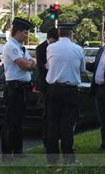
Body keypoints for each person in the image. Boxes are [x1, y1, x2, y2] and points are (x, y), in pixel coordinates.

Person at [45, 22, 86, 164]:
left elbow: (49, 66)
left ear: (59, 33)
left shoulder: (50, 48)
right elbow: (82, 69)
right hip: (70, 90)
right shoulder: (78, 49)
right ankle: (68, 158)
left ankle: (52, 158)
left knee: (52, 124)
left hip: (54, 89)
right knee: (67, 125)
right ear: (71, 34)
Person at [1, 18, 37, 162]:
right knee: (11, 122)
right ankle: (7, 154)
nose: (27, 35)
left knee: (19, 122)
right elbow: (25, 65)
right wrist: (30, 63)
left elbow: (32, 62)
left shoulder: (21, 47)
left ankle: (18, 151)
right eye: (25, 32)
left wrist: (30, 63)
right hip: (14, 88)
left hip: (22, 89)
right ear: (18, 31)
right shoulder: (11, 46)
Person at [35, 27, 59, 149]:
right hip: (45, 85)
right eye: (52, 41)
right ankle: (46, 140)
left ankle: (54, 138)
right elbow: (41, 68)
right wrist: (49, 66)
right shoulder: (41, 48)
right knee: (47, 114)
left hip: (55, 85)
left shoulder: (58, 48)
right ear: (48, 38)